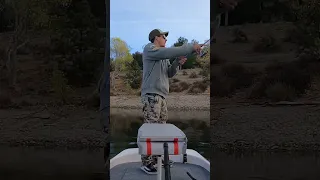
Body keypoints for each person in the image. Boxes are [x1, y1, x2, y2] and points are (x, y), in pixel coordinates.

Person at [140, 28, 201, 174]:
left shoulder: (163, 56)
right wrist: (189, 47)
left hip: (162, 96)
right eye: (163, 37)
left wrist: (177, 62)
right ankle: (147, 163)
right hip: (151, 96)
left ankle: (156, 159)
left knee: (161, 129)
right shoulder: (150, 49)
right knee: (151, 128)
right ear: (156, 38)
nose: (166, 40)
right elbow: (167, 52)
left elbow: (169, 73)